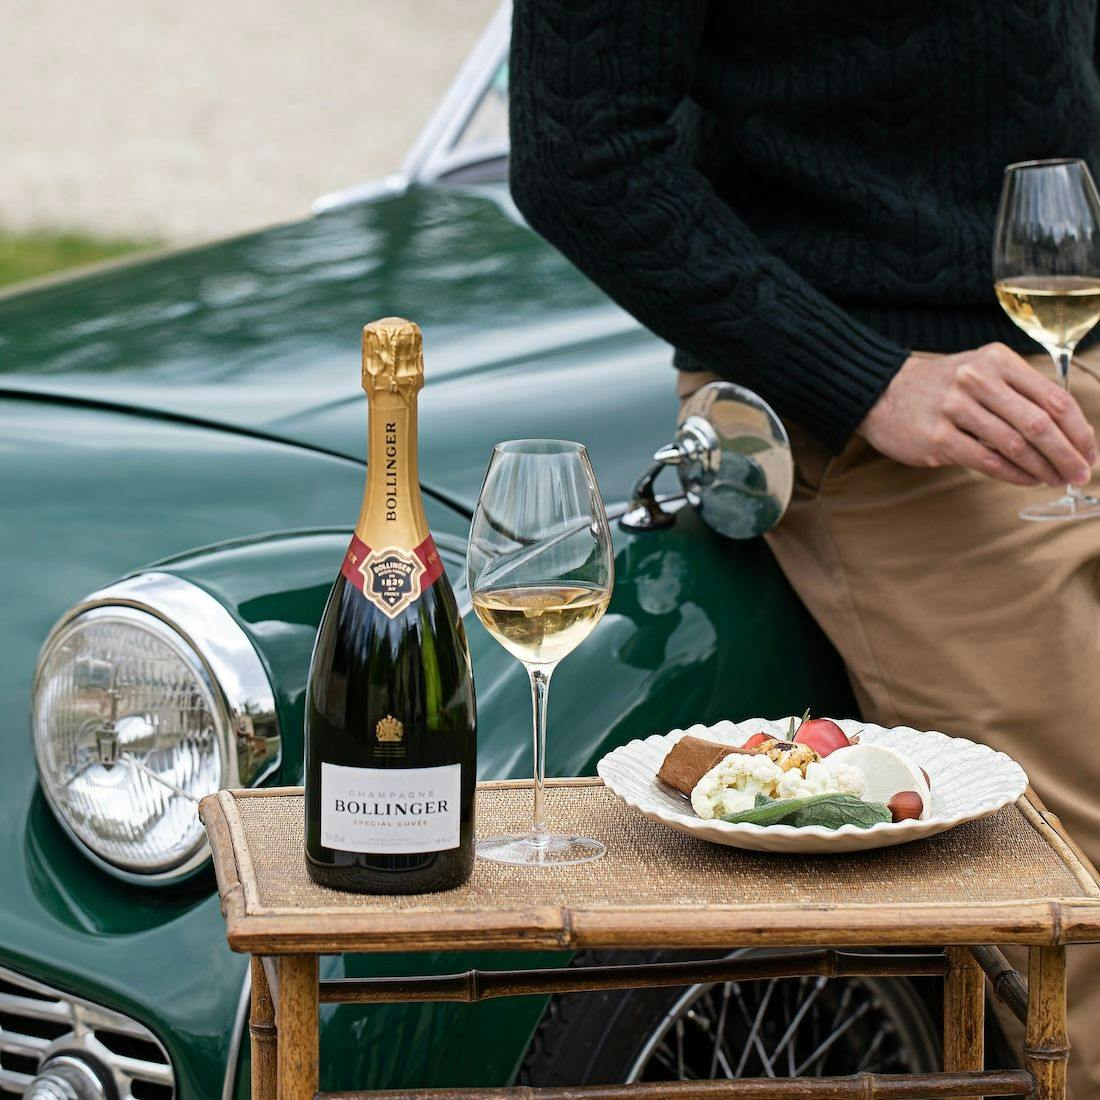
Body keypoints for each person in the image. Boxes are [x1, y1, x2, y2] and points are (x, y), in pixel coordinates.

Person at [509, 2, 1100, 1096]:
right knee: (1080, 896)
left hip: (1064, 339)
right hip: (892, 409)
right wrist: (863, 376)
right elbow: (577, 154)